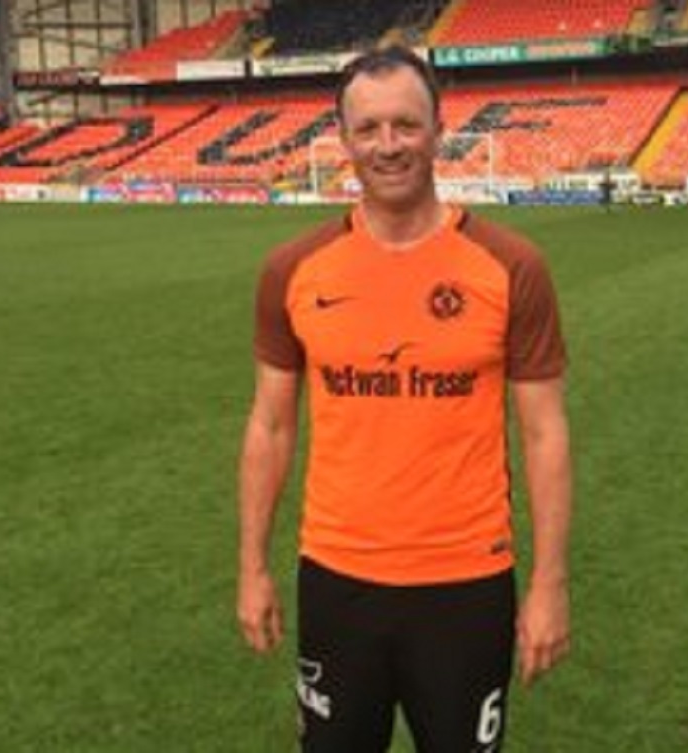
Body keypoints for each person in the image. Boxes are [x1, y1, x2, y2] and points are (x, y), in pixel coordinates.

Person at [236, 45, 573, 752]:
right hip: (336, 578)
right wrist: (253, 565)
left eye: (405, 125)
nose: (388, 146)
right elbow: (270, 425)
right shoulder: (291, 271)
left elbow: (543, 433)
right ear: (345, 141)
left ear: (439, 130)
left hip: (467, 583)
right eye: (369, 129)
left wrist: (549, 582)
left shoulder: (512, 268)